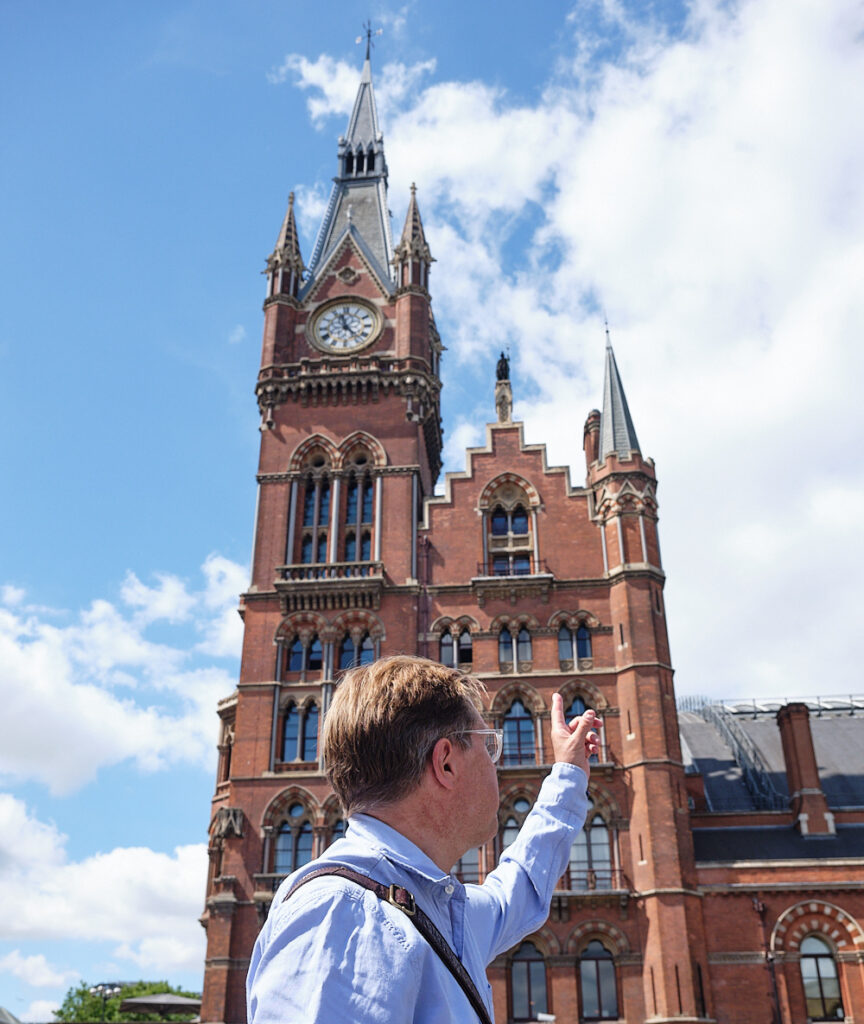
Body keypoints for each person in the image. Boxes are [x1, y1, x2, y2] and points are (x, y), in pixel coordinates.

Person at [247, 655, 601, 1023]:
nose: (494, 763)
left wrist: (570, 772)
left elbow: (518, 888)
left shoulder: (428, 904)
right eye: (487, 745)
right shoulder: (343, 916)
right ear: (446, 762)